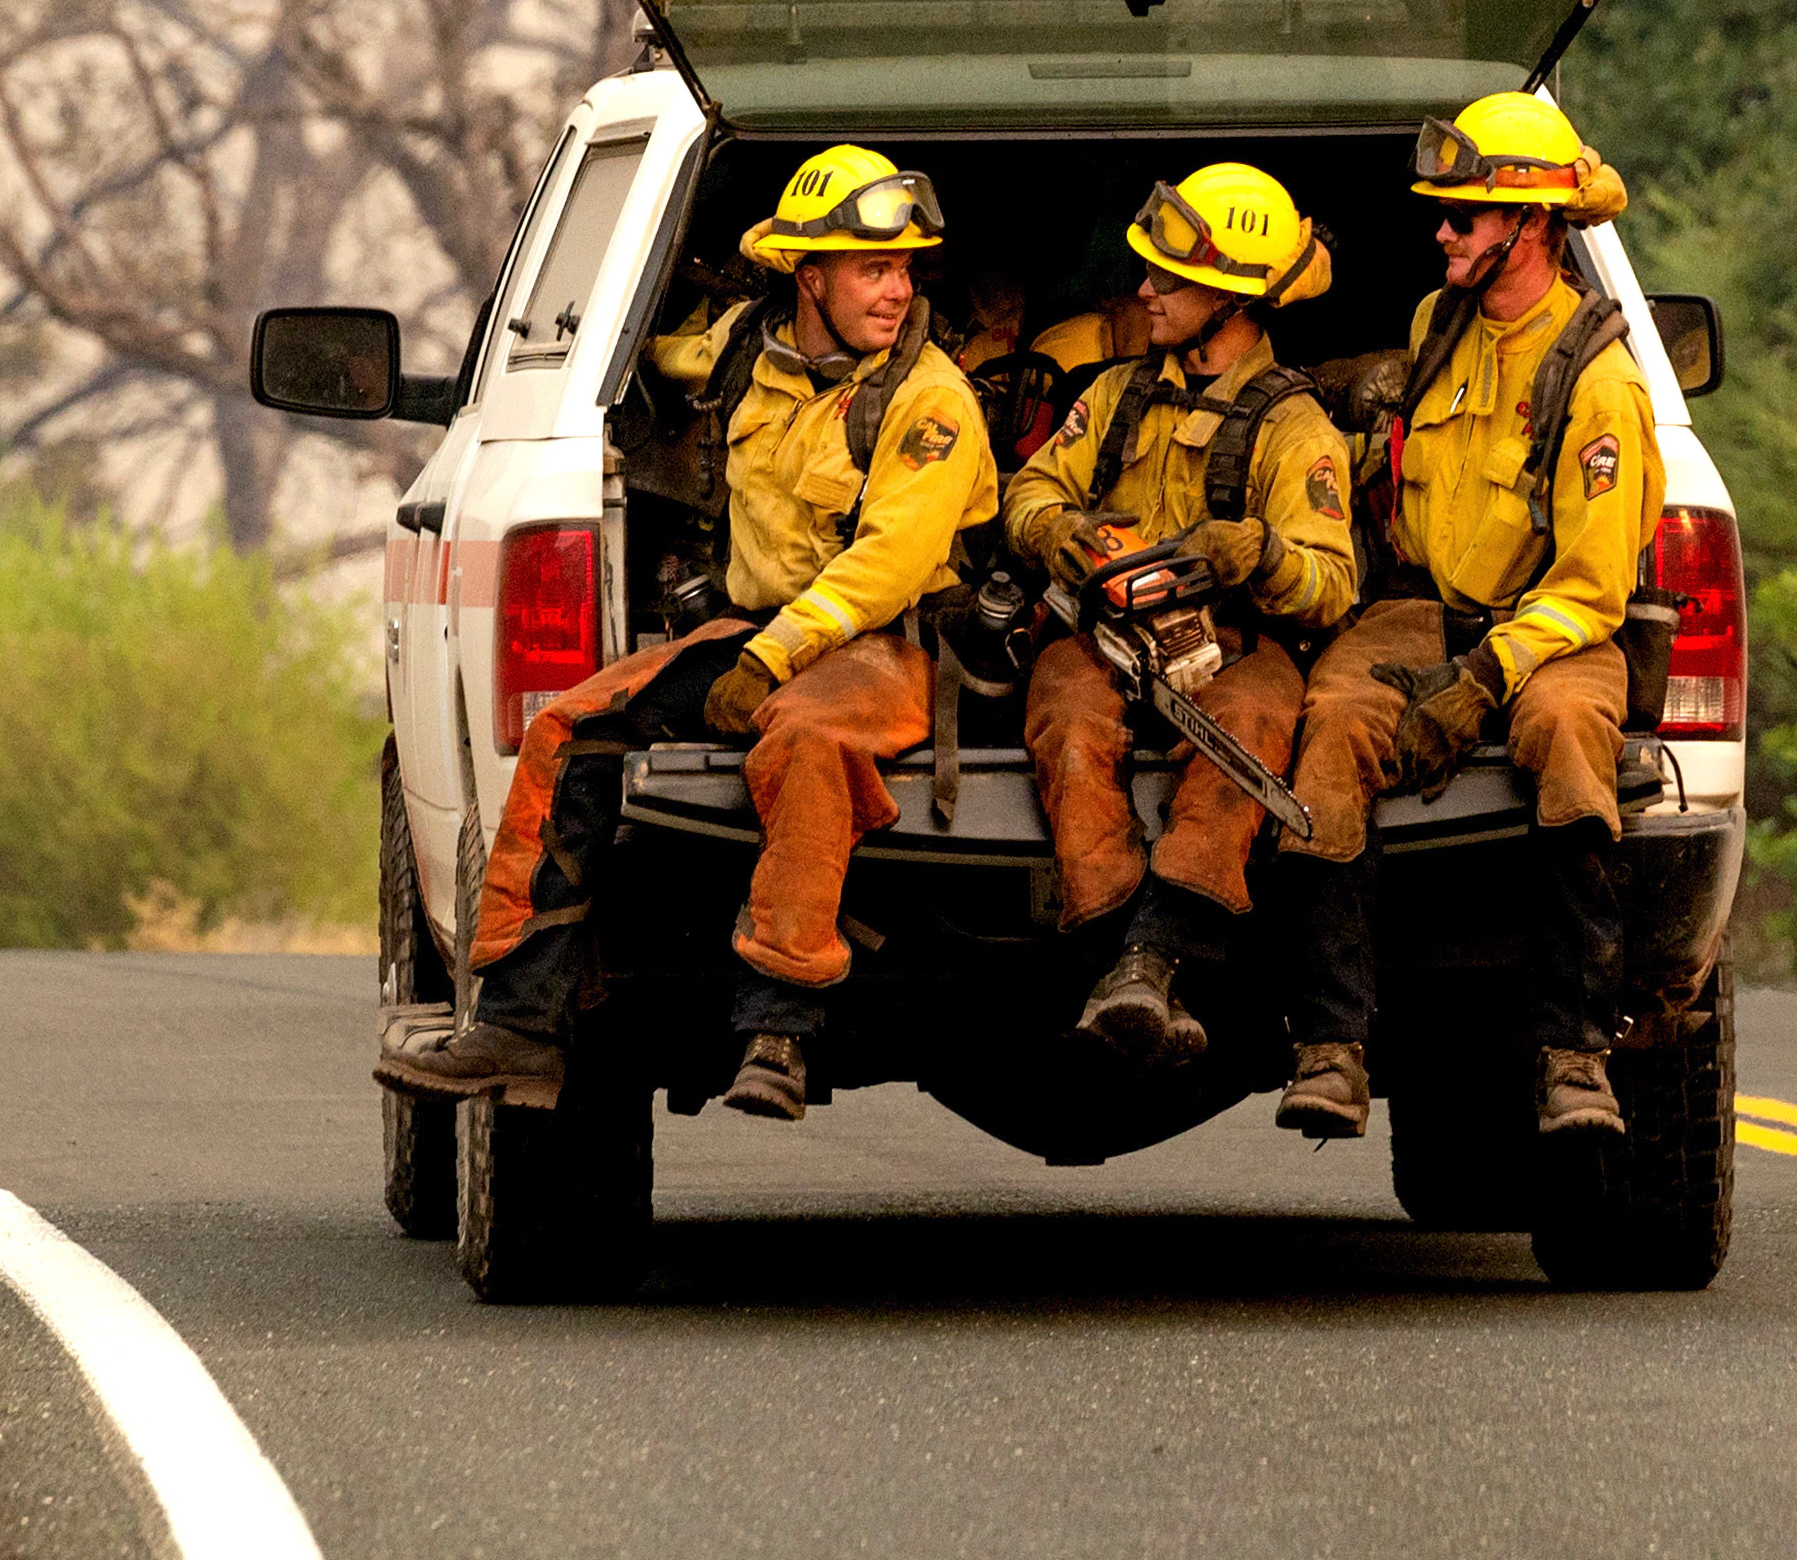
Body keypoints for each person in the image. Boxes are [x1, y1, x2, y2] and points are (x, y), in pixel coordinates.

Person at [383, 146, 998, 1125]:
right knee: (570, 729)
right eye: (872, 268)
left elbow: (883, 565)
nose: (897, 289)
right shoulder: (744, 348)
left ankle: (775, 1032)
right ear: (809, 277)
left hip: (884, 646)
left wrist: (767, 659)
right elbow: (664, 354)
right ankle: (520, 1027)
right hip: (748, 627)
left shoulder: (931, 402)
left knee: (806, 743)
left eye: (906, 270)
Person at [1255, 92, 1663, 1145]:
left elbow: (1591, 587)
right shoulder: (1438, 322)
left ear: (1530, 227)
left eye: (1463, 216)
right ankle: (1332, 1049)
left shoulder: (1601, 380)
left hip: (1549, 628)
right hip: (1419, 610)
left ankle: (1574, 1056)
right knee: (1332, 729)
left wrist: (1482, 678)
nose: (1438, 230)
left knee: (1572, 736)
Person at [1003, 163, 1360, 1069]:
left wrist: (1263, 555)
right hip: (1105, 636)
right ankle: (1116, 954)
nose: (1145, 290)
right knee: (1065, 713)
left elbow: (1334, 582)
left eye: (1171, 277)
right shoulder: (1115, 394)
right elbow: (1031, 488)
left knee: (1253, 720)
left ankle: (1151, 957)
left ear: (1233, 302)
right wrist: (1064, 532)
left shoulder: (1295, 426)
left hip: (1237, 646)